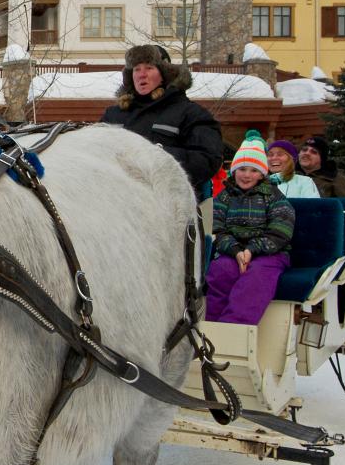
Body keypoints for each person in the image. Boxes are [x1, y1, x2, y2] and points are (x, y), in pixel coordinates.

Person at [102, 44, 223, 192]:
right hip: (115, 198)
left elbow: (207, 160)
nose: (141, 74)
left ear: (165, 74)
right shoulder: (113, 115)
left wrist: (158, 155)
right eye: (136, 69)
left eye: (149, 68)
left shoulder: (191, 113)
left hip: (167, 201)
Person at [207, 131, 294, 324]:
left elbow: (281, 231)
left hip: (269, 253)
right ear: (234, 171)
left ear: (262, 173)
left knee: (256, 276)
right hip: (233, 252)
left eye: (254, 170)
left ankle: (234, 327)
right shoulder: (224, 197)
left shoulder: (273, 196)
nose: (247, 175)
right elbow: (217, 228)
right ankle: (211, 326)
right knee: (221, 270)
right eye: (242, 169)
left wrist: (252, 249)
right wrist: (235, 250)